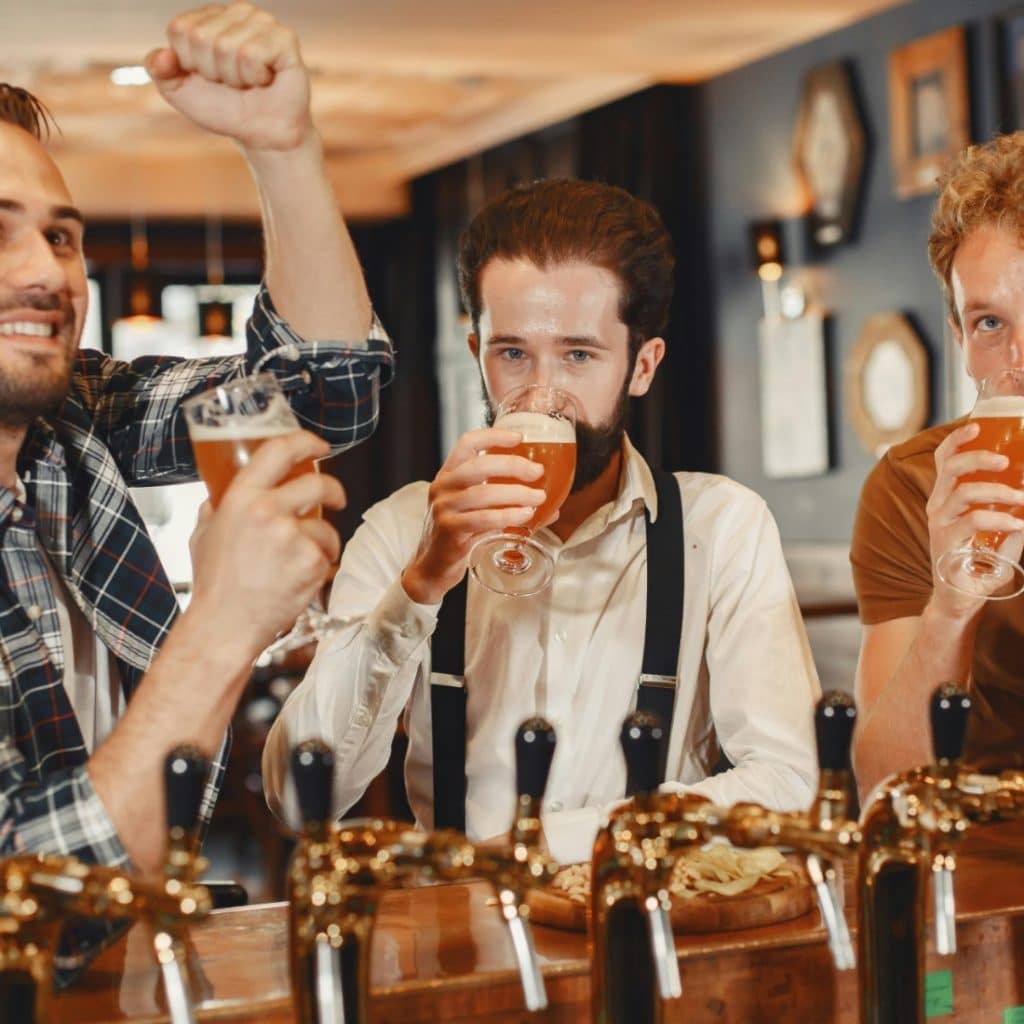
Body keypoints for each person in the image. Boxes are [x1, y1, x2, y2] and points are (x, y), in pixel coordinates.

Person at [0, 2, 392, 977]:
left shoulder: (68, 421)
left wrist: (284, 148)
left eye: (61, 236)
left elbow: (323, 390)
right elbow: (30, 912)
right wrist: (223, 622)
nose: (45, 272)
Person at [263, 178, 820, 863]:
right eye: (513, 353)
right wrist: (422, 584)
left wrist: (547, 846)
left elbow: (790, 782)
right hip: (461, 940)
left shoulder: (724, 527)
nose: (541, 394)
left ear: (642, 366)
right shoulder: (402, 529)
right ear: (477, 355)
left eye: (579, 355)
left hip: (651, 927)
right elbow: (298, 796)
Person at [850, 132, 1024, 800]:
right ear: (958, 339)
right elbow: (887, 785)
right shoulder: (912, 486)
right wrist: (953, 604)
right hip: (986, 868)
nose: (1016, 356)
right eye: (988, 323)